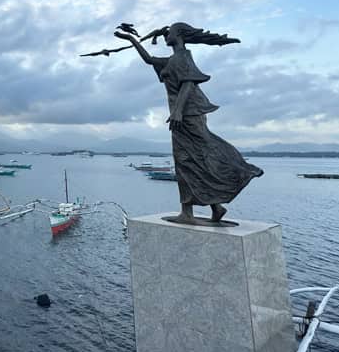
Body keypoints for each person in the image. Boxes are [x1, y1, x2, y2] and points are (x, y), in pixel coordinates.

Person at [113, 22, 263, 224]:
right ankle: (216, 207)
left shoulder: (183, 57)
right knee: (194, 159)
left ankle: (191, 209)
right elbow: (149, 59)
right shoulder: (173, 60)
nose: (167, 34)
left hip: (186, 115)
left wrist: (177, 111)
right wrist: (131, 40)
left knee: (186, 160)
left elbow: (189, 83)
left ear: (180, 35)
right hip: (184, 115)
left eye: (171, 32)